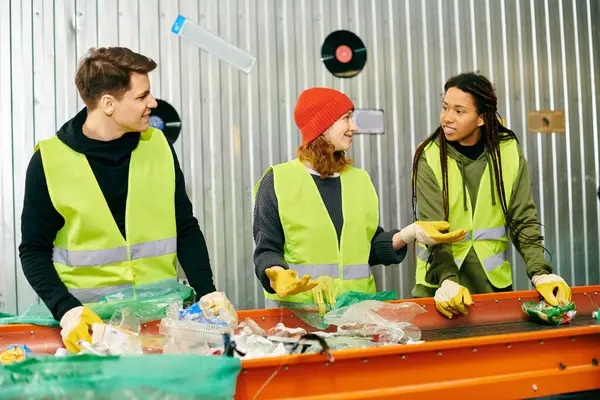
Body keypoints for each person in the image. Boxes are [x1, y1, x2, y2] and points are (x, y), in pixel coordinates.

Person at [19, 47, 217, 352]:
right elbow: (33, 251)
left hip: (161, 330)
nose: (153, 103)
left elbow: (185, 227)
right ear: (108, 104)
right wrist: (66, 310)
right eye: (142, 96)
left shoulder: (159, 147)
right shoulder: (49, 161)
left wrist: (207, 293)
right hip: (89, 334)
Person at [252, 87, 466, 315]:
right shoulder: (277, 181)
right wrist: (275, 273)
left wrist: (408, 234)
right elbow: (266, 250)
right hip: (299, 320)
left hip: (357, 318)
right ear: (321, 126)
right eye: (346, 118)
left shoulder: (359, 180)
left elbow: (368, 248)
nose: (354, 127)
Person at [411, 72, 572, 319]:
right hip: (439, 287)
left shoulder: (507, 150)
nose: (447, 118)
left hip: (492, 285)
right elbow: (434, 230)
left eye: (459, 111)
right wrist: (447, 280)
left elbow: (523, 219)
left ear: (481, 118)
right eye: (445, 107)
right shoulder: (430, 156)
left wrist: (540, 272)